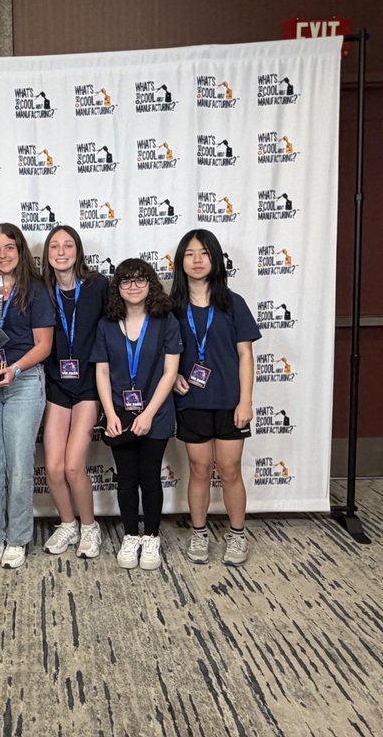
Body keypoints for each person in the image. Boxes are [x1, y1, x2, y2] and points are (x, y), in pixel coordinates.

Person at [170, 229, 261, 566]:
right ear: (180, 260)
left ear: (216, 259)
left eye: (204, 253)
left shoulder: (232, 302)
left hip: (228, 402)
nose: (197, 260)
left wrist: (245, 401)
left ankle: (237, 535)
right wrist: (176, 376)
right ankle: (199, 532)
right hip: (191, 401)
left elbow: (245, 356)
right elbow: (164, 355)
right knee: (199, 468)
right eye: (190, 253)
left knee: (229, 469)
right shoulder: (172, 307)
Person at [0, 223, 54, 569]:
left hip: (24, 382)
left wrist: (14, 370)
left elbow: (44, 345)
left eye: (9, 247)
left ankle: (18, 538)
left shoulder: (35, 290)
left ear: (20, 251)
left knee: (20, 466)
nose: (2, 255)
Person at [92, 259, 180, 570]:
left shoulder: (166, 320)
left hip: (157, 413)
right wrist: (110, 413)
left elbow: (171, 372)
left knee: (150, 477)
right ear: (117, 287)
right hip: (119, 414)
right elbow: (102, 372)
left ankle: (151, 537)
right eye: (126, 281)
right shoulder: (106, 325)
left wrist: (148, 414)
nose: (133, 286)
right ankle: (131, 535)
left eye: (140, 280)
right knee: (127, 478)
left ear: (151, 284)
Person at [40, 226, 109, 558]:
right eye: (55, 245)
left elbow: (120, 328)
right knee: (53, 467)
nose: (62, 251)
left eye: (68, 245)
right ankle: (67, 524)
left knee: (72, 466)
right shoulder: (41, 289)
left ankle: (89, 526)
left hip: (88, 387)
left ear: (78, 251)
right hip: (56, 384)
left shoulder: (98, 286)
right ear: (47, 254)